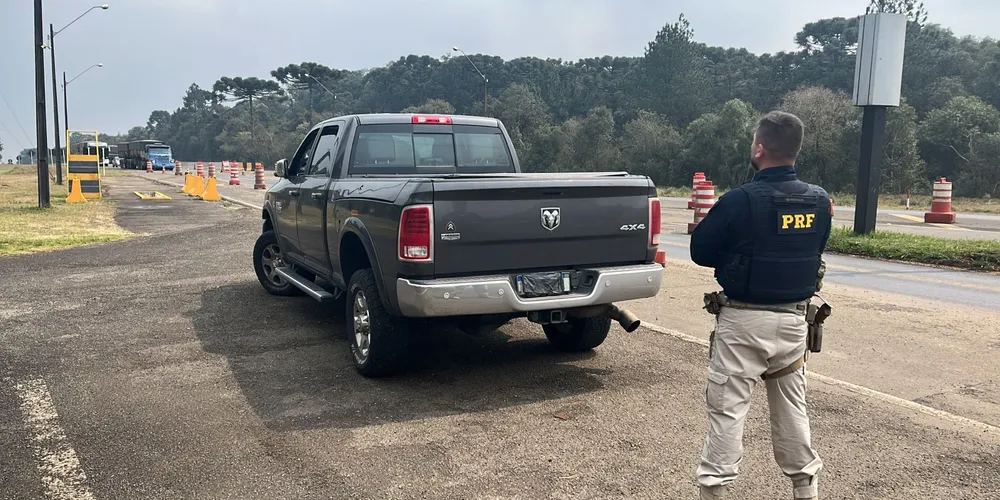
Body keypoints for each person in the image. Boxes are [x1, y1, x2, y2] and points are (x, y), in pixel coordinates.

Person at [689, 110, 832, 500]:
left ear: (759, 147)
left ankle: (715, 490)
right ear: (796, 150)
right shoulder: (819, 201)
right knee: (792, 412)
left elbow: (700, 251)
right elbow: (815, 249)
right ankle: (805, 490)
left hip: (742, 323)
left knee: (727, 412)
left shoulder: (740, 200)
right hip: (794, 324)